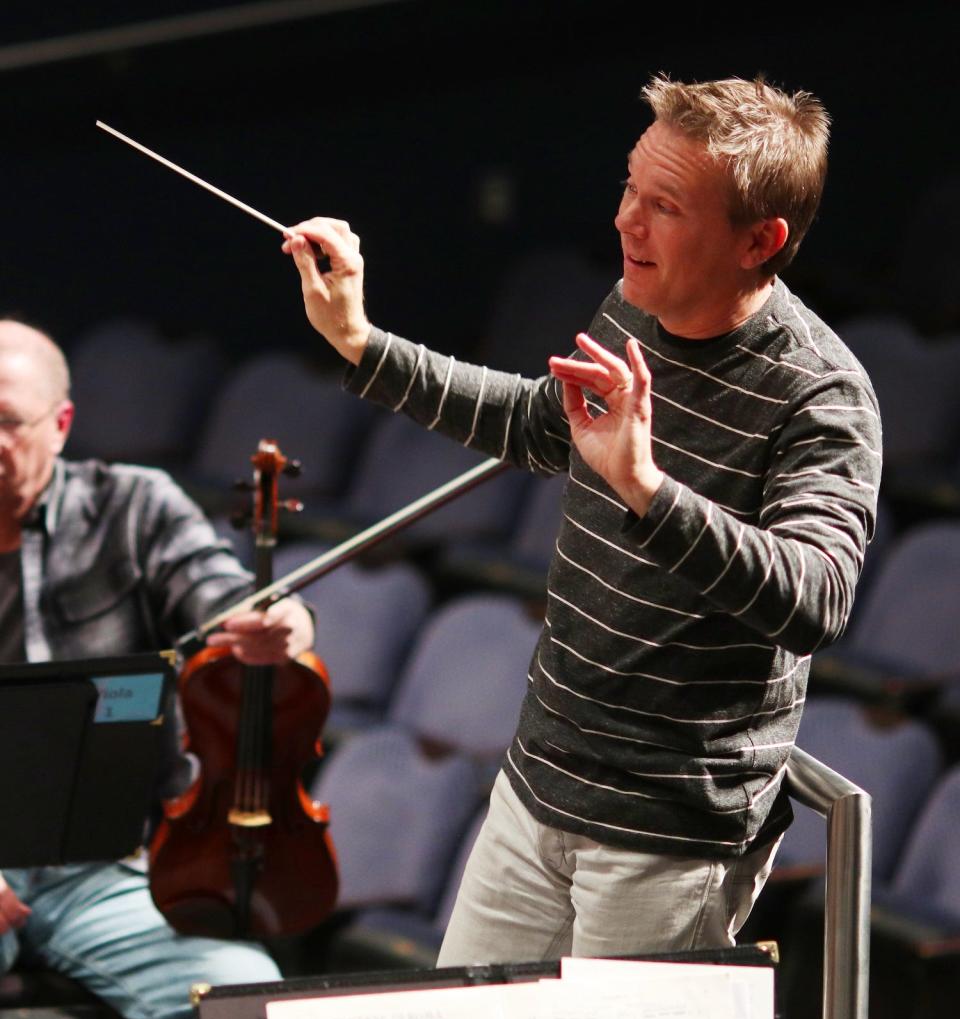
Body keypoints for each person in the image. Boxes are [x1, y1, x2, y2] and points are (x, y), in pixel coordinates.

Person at [282, 75, 882, 966]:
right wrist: (361, 341)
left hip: (667, 837)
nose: (625, 223)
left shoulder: (820, 395)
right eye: (629, 189)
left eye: (664, 205)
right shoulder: (633, 302)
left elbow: (815, 600)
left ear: (761, 240)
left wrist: (649, 488)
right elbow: (534, 424)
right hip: (538, 785)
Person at [0, 318, 315, 1019]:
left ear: (62, 425)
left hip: (106, 866)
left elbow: (228, 602)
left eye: (7, 423)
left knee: (244, 1007)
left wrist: (284, 625)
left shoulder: (132, 507)